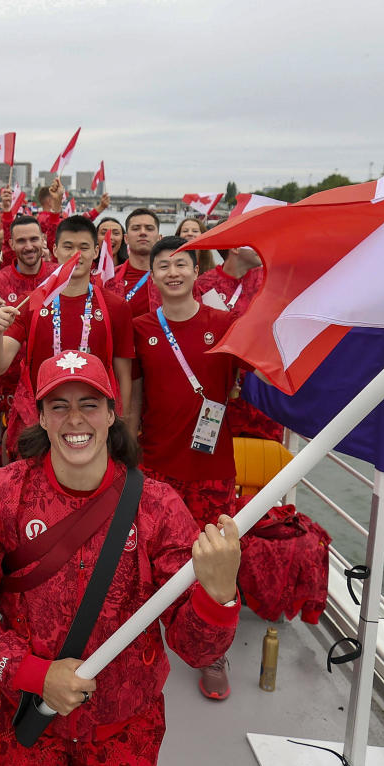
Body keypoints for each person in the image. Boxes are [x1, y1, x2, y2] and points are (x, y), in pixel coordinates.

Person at [0, 350, 241, 766]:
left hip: (126, 731)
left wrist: (218, 595)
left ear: (113, 414)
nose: (75, 420)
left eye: (90, 404)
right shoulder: (1, 496)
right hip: (26, 723)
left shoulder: (158, 508)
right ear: (41, 417)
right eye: (59, 406)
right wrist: (32, 674)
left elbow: (193, 649)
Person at [131, 236, 245, 701]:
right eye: (163, 266)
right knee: (149, 556)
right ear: (152, 275)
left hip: (211, 465)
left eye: (182, 264)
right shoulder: (140, 327)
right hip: (156, 463)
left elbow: (249, 382)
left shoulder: (227, 324)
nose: (173, 272)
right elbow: (135, 396)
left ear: (198, 272)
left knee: (215, 556)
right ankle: (143, 636)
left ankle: (212, 653)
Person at [0, 216, 134, 461]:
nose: (76, 254)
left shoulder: (115, 307)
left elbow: (123, 375)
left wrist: (122, 427)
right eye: (68, 247)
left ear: (96, 251)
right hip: (39, 421)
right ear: (54, 250)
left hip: (93, 423)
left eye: (84, 247)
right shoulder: (32, 302)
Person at [195, 245, 284, 442]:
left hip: (261, 394)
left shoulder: (270, 281)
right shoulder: (204, 284)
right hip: (218, 396)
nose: (260, 247)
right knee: (213, 460)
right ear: (235, 248)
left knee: (266, 463)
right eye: (252, 242)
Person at [0, 216, 54, 441]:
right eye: (21, 241)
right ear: (12, 244)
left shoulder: (57, 278)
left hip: (52, 387)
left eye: (34, 239)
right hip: (10, 393)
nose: (28, 246)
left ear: (44, 240)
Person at [105, 209, 162, 319]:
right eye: (136, 228)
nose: (142, 232)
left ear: (159, 238)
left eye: (149, 228)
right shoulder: (108, 279)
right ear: (126, 238)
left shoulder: (172, 279)